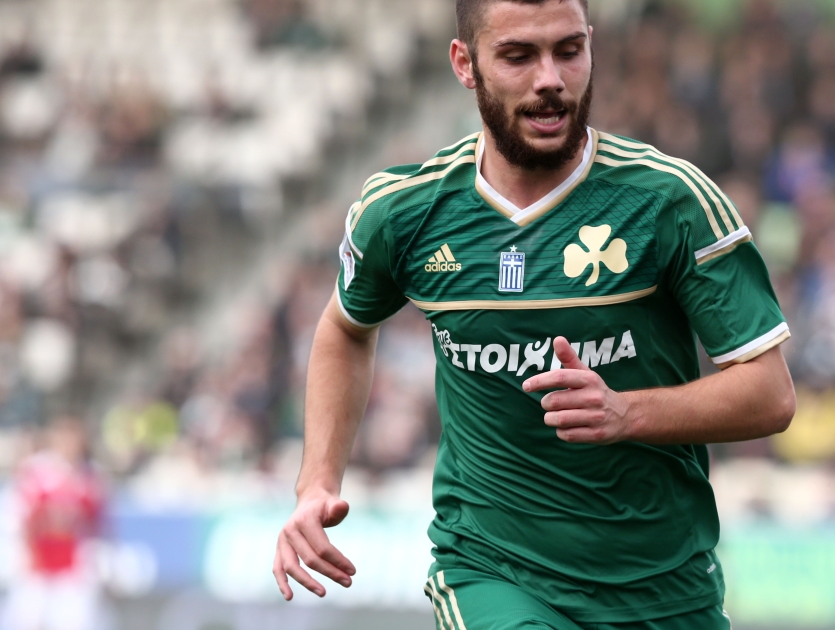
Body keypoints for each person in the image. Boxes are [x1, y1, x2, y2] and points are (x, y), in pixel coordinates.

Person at [272, 0, 797, 627]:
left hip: (665, 586)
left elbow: (770, 394)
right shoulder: (404, 212)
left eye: (568, 51)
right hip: (491, 571)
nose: (550, 78)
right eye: (518, 56)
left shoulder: (671, 201)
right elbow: (345, 328)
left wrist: (627, 412)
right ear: (464, 64)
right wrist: (317, 482)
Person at [2, 417, 105, 630]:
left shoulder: (90, 477)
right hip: (37, 564)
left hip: (72, 568)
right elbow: (20, 516)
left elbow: (97, 524)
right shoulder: (35, 472)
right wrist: (24, 554)